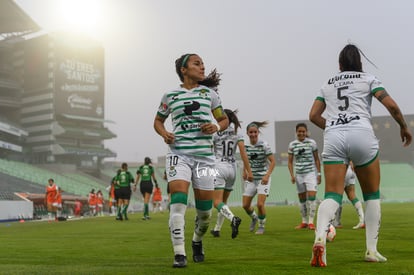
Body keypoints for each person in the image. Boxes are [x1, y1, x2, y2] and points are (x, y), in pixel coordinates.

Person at [309, 44, 412, 267]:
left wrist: (334, 126)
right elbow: (391, 106)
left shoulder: (328, 83)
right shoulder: (368, 79)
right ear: (360, 63)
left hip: (334, 136)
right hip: (361, 133)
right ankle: (371, 251)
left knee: (332, 195)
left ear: (339, 64)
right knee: (372, 195)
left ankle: (320, 239)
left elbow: (313, 115)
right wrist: (403, 126)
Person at [153, 53, 229, 268]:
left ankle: (197, 240)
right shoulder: (170, 95)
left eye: (203, 64)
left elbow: (223, 119)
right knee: (178, 201)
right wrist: (164, 133)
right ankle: (179, 253)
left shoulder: (210, 94)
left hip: (205, 159)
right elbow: (158, 121)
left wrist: (216, 126)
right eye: (197, 63)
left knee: (205, 213)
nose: (202, 67)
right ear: (184, 70)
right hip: (179, 155)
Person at [210, 109, 253, 239]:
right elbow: (243, 153)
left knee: (217, 202)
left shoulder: (215, 133)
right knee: (224, 201)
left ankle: (233, 218)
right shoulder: (237, 134)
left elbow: (208, 151)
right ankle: (217, 229)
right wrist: (248, 171)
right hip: (232, 169)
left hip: (219, 167)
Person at [242, 121, 276, 235]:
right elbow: (245, 161)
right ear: (247, 133)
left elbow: (273, 162)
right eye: (251, 132)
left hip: (263, 179)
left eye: (255, 132)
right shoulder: (245, 146)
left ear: (258, 133)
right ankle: (254, 218)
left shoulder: (264, 145)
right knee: (245, 205)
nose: (253, 134)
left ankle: (261, 226)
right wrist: (244, 171)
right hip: (251, 179)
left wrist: (267, 175)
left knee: (260, 204)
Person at [287, 123, 321, 230]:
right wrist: (292, 175)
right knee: (302, 199)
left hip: (310, 173)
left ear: (306, 132)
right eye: (299, 131)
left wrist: (319, 174)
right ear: (296, 132)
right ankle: (304, 221)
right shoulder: (292, 145)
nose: (301, 133)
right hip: (299, 175)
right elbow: (290, 162)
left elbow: (316, 159)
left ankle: (311, 222)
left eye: (303, 131)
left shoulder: (312, 143)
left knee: (311, 197)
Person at [332, 161, 365, 229]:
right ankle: (362, 220)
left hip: (342, 169)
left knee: (337, 195)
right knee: (352, 195)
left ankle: (336, 222)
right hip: (350, 170)